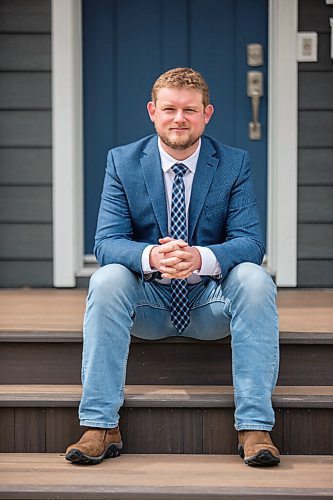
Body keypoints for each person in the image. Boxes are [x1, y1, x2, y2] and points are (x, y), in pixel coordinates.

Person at [66, 67, 280, 467]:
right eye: (169, 109)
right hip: (147, 304)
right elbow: (106, 242)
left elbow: (250, 242)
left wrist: (201, 258)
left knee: (254, 279)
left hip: (208, 304)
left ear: (207, 114)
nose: (178, 118)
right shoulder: (123, 162)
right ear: (152, 111)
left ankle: (255, 427)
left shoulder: (233, 164)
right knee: (107, 277)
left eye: (189, 110)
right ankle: (100, 425)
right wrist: (152, 257)